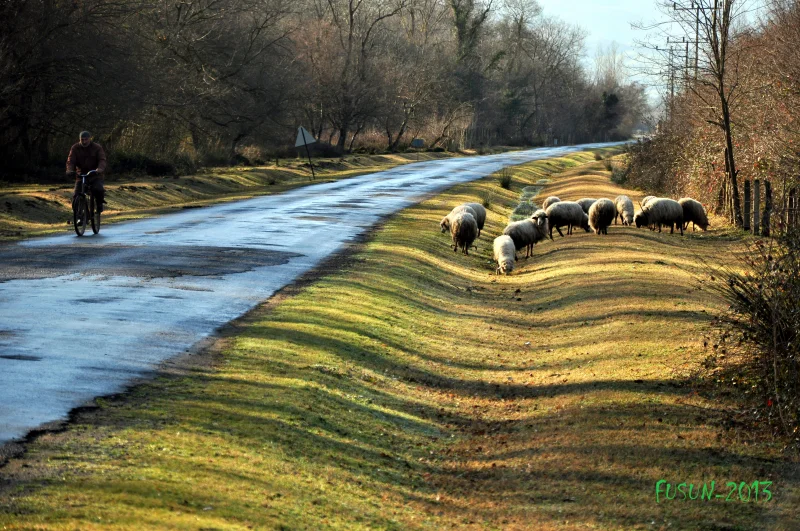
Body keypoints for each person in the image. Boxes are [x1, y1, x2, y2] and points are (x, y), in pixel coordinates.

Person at [66, 131, 107, 213]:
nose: (84, 141)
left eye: (86, 139)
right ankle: (79, 215)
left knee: (98, 189)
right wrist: (69, 169)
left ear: (90, 139)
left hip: (95, 174)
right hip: (81, 174)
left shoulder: (97, 147)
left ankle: (99, 204)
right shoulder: (75, 148)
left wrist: (100, 169)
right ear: (79, 139)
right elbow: (71, 161)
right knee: (76, 195)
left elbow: (102, 160)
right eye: (82, 139)